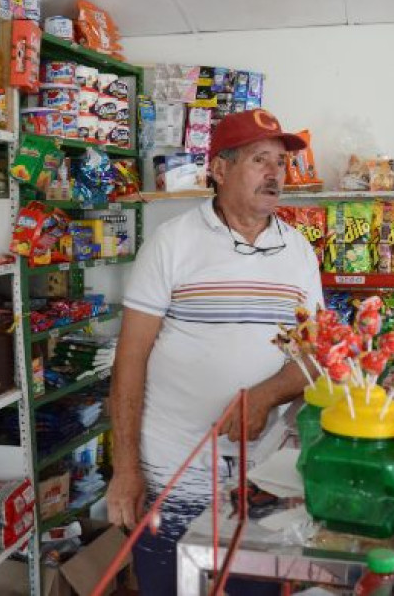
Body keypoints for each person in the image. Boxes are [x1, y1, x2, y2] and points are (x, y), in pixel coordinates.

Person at [108, 108, 324, 594]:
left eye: (282, 162)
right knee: (166, 586)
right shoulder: (171, 244)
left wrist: (267, 394)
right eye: (260, 159)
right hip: (172, 469)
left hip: (263, 479)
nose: (275, 174)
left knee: (253, 589)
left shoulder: (299, 252)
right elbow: (130, 361)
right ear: (220, 169)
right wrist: (125, 468)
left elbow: (313, 356)